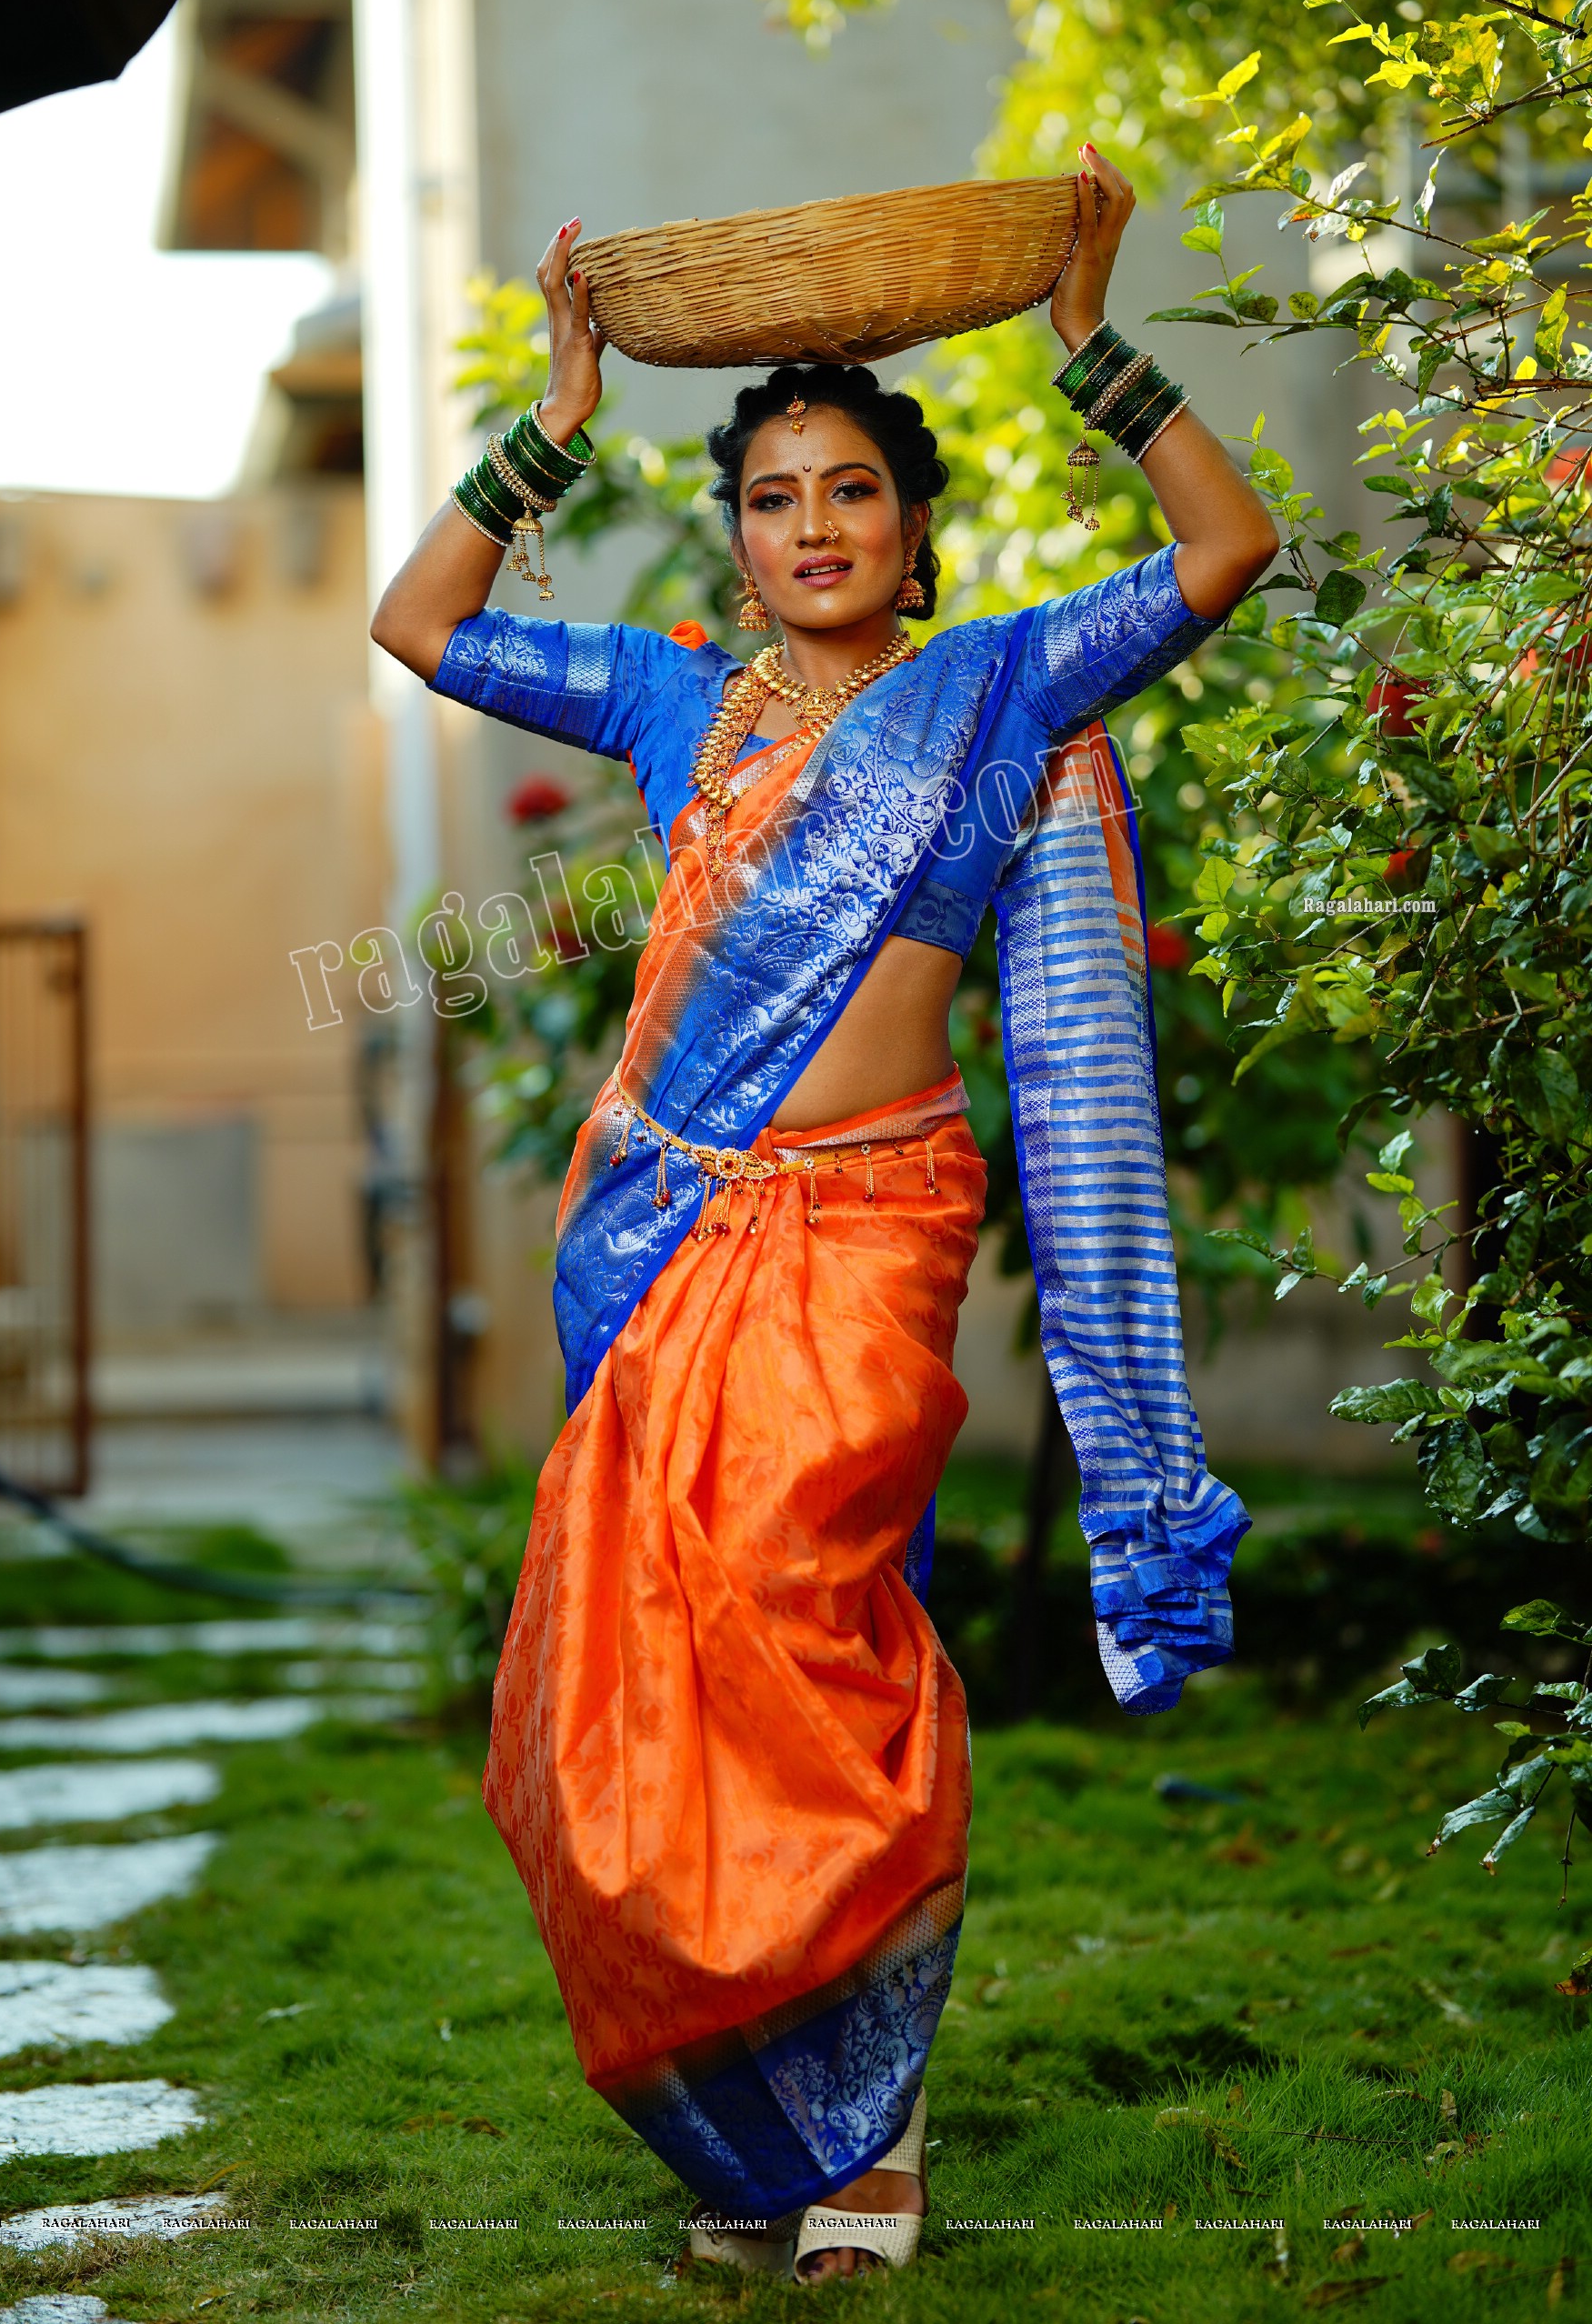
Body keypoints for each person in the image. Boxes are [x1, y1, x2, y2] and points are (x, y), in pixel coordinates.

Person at [371, 145, 1277, 2284]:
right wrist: (556, 419)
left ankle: (879, 2131)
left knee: (817, 1639)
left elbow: (1228, 544)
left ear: (917, 522)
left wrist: (1085, 345)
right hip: (670, 1232)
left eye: (851, 493)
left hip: (871, 1234)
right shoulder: (680, 699)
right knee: (645, 1692)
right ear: (736, 531)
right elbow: (423, 627)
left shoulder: (1006, 690)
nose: (812, 530)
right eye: (775, 499)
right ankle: (767, 2140)